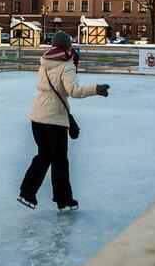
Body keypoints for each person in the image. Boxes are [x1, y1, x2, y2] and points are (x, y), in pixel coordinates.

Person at [18, 31, 110, 212]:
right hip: (53, 119)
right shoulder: (66, 64)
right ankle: (64, 200)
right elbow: (74, 91)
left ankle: (27, 192)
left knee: (43, 155)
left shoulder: (45, 62)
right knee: (59, 160)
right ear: (67, 46)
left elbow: (54, 93)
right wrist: (96, 89)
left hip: (37, 115)